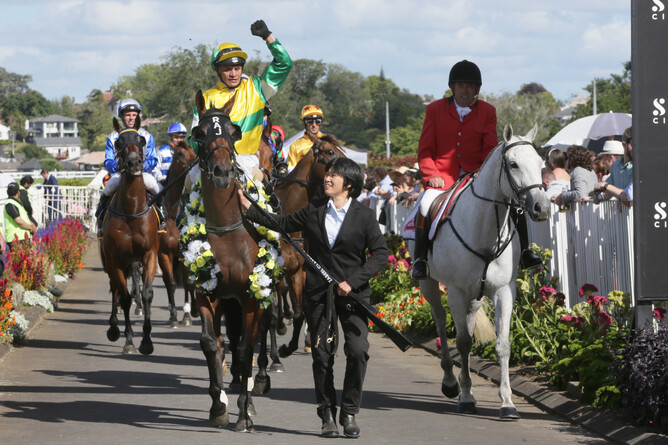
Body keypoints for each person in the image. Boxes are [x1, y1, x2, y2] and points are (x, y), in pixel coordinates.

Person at [238, 157, 387, 438]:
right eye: (327, 173)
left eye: (334, 175)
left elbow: (380, 254)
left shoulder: (365, 216)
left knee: (357, 351)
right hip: (319, 294)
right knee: (321, 356)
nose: (327, 178)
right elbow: (281, 223)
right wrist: (250, 208)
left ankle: (350, 411)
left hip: (354, 296)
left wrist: (352, 282)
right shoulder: (315, 209)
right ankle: (327, 413)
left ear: (349, 183)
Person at [413, 59, 542, 279]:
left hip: (477, 176)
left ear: (477, 89)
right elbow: (425, 151)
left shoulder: (487, 111)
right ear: (452, 87)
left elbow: (490, 150)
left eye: (470, 86)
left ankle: (526, 253)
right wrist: (432, 175)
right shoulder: (435, 109)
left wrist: (483, 174)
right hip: (442, 178)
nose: (465, 90)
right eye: (461, 85)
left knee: (513, 203)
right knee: (425, 204)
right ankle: (421, 260)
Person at [194, 19, 292, 179]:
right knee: (188, 184)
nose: (233, 74)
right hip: (212, 161)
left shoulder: (257, 88)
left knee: (255, 196)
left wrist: (268, 37)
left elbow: (284, 64)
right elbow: (194, 137)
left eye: (237, 68)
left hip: (247, 160)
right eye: (227, 69)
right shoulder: (206, 97)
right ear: (217, 70)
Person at [97, 98, 159, 237]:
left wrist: (143, 165)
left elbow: (153, 158)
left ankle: (163, 216)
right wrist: (117, 166)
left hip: (142, 173)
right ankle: (101, 220)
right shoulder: (113, 137)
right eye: (127, 114)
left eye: (134, 115)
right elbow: (108, 160)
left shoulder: (147, 136)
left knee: (154, 185)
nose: (131, 118)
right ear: (122, 116)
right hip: (122, 173)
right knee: (109, 187)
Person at [287, 105, 324, 170]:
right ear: (303, 122)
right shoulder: (295, 146)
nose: (314, 125)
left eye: (318, 121)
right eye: (310, 121)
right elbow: (291, 170)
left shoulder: (327, 141)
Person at [4, 182, 37, 250]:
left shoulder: (15, 203)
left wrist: (31, 224)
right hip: (16, 239)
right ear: (18, 192)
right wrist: (31, 228)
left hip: (21, 237)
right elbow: (19, 221)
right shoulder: (10, 204)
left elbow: (24, 218)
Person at [154, 122, 187, 186]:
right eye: (176, 137)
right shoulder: (162, 151)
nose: (179, 140)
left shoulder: (186, 152)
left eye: (181, 137)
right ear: (170, 136)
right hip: (163, 184)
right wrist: (161, 179)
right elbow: (155, 169)